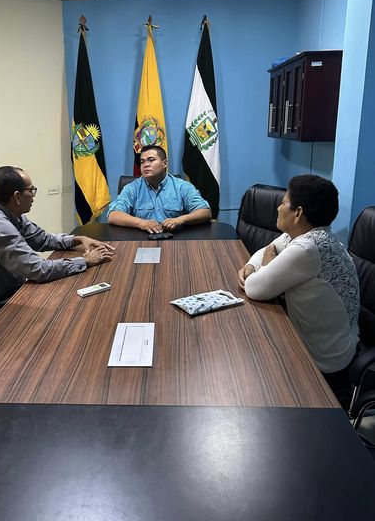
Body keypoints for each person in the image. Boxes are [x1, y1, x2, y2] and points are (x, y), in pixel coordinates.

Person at [237, 174, 360, 406]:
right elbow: (269, 248)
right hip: (322, 337)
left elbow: (254, 288)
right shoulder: (309, 235)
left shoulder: (308, 248)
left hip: (325, 360)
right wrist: (253, 265)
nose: (278, 207)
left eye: (284, 202)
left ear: (298, 213)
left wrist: (263, 267)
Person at [0, 166, 115, 303]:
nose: (33, 196)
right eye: (31, 190)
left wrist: (78, 239)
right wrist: (85, 260)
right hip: (1, 306)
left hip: (12, 292)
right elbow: (39, 270)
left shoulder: (12, 216)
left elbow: (43, 239)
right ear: (17, 197)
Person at [108, 145, 212, 233]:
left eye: (151, 160)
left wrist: (180, 220)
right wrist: (141, 223)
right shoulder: (132, 188)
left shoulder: (182, 186)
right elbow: (113, 215)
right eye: (142, 162)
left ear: (165, 163)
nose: (146, 165)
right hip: (141, 239)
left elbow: (205, 212)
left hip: (175, 239)